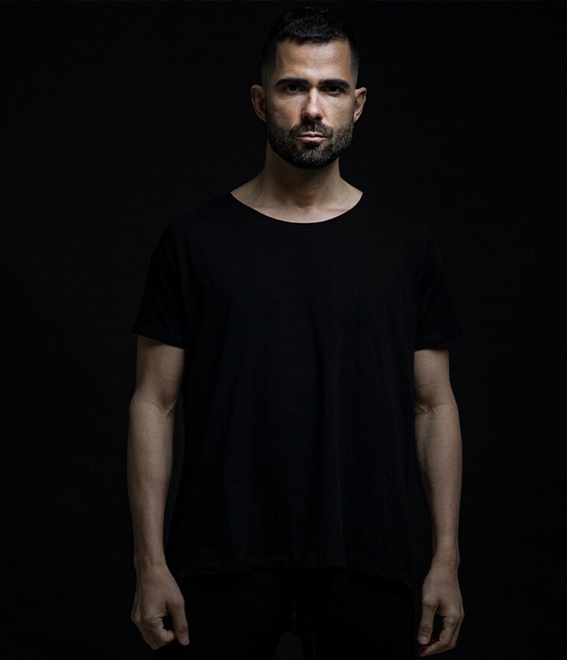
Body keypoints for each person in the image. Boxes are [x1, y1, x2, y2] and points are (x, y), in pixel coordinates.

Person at [127, 7, 464, 658]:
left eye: (331, 88)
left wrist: (445, 560)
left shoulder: (404, 247)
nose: (312, 108)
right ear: (261, 101)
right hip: (224, 553)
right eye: (293, 87)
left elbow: (433, 405)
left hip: (368, 553)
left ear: (356, 104)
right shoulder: (194, 243)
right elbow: (154, 403)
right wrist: (149, 563)